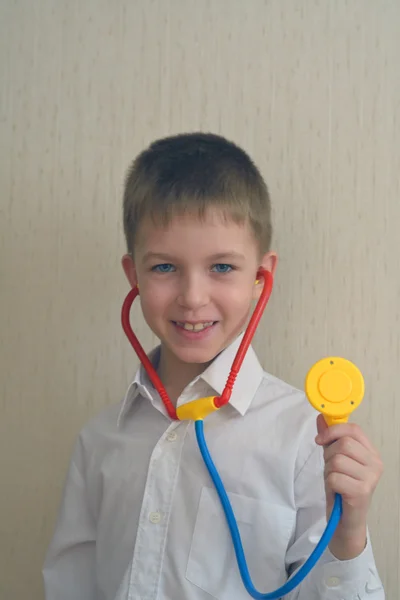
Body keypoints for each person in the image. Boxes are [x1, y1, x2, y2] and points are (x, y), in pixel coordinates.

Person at [43, 132, 385, 599]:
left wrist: (349, 535)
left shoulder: (307, 440)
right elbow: (69, 585)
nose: (193, 297)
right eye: (164, 267)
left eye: (222, 267)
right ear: (133, 275)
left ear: (261, 278)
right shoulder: (100, 442)